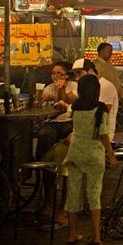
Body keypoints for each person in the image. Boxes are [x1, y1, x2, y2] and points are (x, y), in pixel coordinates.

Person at [64, 74, 118, 245]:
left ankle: (72, 233)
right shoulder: (100, 109)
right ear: (97, 90)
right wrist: (111, 154)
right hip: (94, 155)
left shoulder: (75, 108)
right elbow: (103, 134)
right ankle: (96, 236)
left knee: (73, 193)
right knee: (94, 194)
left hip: (74, 153)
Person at [35, 61, 77, 226]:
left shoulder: (74, 85)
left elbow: (65, 104)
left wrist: (60, 90)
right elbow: (45, 108)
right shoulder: (47, 88)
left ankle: (64, 208)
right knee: (44, 136)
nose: (56, 76)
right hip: (52, 123)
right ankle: (42, 162)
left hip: (69, 123)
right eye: (53, 73)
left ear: (67, 75)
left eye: (59, 73)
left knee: (68, 159)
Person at [70, 59, 119, 140]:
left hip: (101, 132)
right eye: (75, 75)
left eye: (79, 73)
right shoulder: (86, 86)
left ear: (90, 71)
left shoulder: (106, 86)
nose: (77, 78)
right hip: (87, 129)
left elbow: (105, 110)